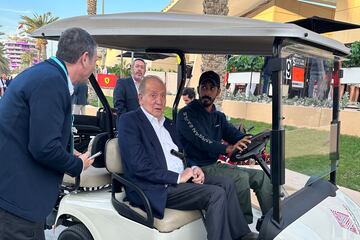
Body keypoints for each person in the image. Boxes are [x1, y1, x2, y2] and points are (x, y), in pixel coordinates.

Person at [117, 75, 258, 240]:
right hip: (156, 187)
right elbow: (138, 166)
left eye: (163, 95)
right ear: (140, 98)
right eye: (153, 95)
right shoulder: (130, 121)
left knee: (226, 183)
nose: (159, 101)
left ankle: (241, 235)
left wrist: (193, 168)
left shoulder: (168, 123)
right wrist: (178, 177)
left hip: (178, 182)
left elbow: (182, 154)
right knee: (216, 194)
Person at [0, 27, 96, 240]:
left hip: (16, 194)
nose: (94, 68)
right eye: (95, 61)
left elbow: (39, 136)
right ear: (84, 58)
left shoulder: (45, 74)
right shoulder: (51, 82)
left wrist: (68, 153)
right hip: (18, 201)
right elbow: (43, 147)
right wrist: (77, 165)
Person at [177, 70, 273, 224]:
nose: (207, 92)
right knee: (240, 177)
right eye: (204, 87)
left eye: (211, 88)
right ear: (198, 89)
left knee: (262, 177)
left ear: (218, 92)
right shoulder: (186, 114)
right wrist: (227, 149)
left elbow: (234, 135)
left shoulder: (218, 117)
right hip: (197, 169)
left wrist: (254, 139)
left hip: (214, 166)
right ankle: (243, 226)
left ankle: (273, 221)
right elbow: (201, 140)